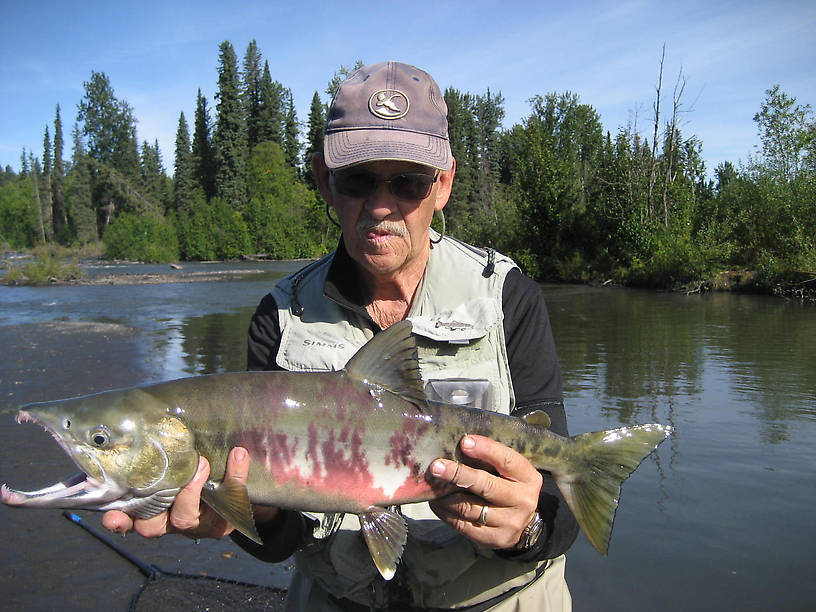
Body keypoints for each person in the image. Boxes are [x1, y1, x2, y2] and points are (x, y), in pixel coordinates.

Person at [102, 61, 579, 610]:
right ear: (327, 183)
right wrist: (239, 510)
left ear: (442, 184)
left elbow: (561, 503)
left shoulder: (508, 297)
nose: (381, 206)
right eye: (358, 180)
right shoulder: (278, 317)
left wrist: (529, 529)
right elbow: (283, 540)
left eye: (408, 182)